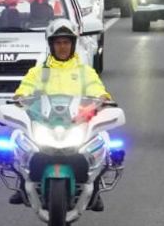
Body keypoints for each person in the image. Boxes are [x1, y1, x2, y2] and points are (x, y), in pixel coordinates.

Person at [8, 19, 113, 208]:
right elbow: (25, 90)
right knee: (17, 139)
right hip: (44, 123)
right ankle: (23, 183)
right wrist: (20, 97)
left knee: (103, 140)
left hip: (77, 122)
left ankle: (95, 186)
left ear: (73, 44)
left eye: (66, 42)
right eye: (58, 43)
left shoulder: (85, 72)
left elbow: (96, 89)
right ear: (51, 45)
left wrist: (103, 98)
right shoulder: (39, 72)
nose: (62, 47)